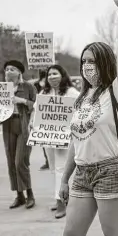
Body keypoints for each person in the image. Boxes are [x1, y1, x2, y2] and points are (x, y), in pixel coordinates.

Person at [59, 0, 118, 236]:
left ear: (104, 63)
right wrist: (64, 178)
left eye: (91, 61)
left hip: (109, 171)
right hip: (82, 173)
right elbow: (76, 140)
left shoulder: (116, 91)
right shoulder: (82, 98)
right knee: (71, 233)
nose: (86, 66)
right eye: (83, 62)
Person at [30, 65, 79, 218]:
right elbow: (36, 110)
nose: (51, 76)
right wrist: (33, 121)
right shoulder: (45, 92)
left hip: (65, 138)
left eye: (55, 73)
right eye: (49, 74)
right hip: (48, 138)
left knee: (60, 170)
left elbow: (80, 110)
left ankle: (61, 203)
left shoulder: (72, 93)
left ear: (62, 75)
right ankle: (62, 197)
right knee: (54, 168)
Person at [2, 60, 37, 209]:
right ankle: (19, 195)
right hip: (8, 125)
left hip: (24, 125)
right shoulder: (2, 88)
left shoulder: (28, 87)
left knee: (20, 162)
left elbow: (37, 105)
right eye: (6, 69)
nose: (8, 72)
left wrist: (21, 100)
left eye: (12, 69)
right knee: (11, 161)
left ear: (19, 73)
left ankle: (30, 194)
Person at [34, 70, 50, 171]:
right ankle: (48, 160)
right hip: (42, 114)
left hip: (53, 113)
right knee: (44, 140)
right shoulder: (36, 84)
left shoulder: (50, 83)